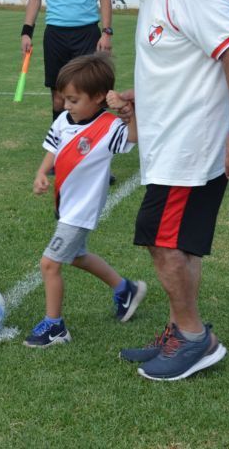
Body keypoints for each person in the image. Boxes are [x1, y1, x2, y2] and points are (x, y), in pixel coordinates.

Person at [84, 0, 229, 381]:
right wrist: (147, 96)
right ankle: (183, 331)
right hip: (176, 137)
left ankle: (194, 337)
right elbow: (187, 55)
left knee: (161, 240)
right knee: (181, 243)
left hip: (189, 145)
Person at [25, 53, 146, 348]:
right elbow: (53, 148)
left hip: (81, 211)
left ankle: (55, 327)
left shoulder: (109, 127)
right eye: (64, 99)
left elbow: (133, 136)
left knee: (49, 264)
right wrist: (42, 172)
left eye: (73, 100)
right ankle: (125, 289)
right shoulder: (65, 121)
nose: (66, 106)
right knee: (77, 256)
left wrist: (129, 111)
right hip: (65, 206)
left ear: (98, 98)